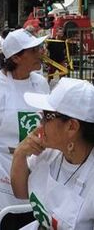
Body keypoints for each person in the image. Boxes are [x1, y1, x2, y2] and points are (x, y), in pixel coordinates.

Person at [0, 28, 50, 230]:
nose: (41, 52)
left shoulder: (40, 83)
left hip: (36, 165)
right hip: (2, 167)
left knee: (34, 218)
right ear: (16, 57)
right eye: (34, 50)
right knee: (4, 220)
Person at [11, 78, 94, 230]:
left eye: (47, 116)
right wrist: (20, 153)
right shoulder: (49, 152)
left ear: (71, 127)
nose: (40, 122)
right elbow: (21, 192)